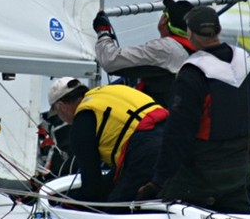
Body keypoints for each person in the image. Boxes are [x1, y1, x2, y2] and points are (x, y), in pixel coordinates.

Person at [136, 6, 250, 214]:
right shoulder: (245, 63)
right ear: (218, 30)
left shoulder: (193, 73)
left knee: (155, 207)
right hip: (239, 173)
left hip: (200, 179)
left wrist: (158, 181)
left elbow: (178, 134)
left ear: (189, 33)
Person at [47, 77, 168, 205]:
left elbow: (92, 184)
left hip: (144, 150)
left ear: (61, 106)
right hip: (174, 141)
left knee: (114, 208)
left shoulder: (82, 120)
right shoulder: (109, 92)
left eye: (57, 114)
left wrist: (69, 202)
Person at [91, 0, 195, 106]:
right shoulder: (198, 48)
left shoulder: (165, 49)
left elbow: (110, 60)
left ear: (164, 21)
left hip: (160, 118)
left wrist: (103, 32)